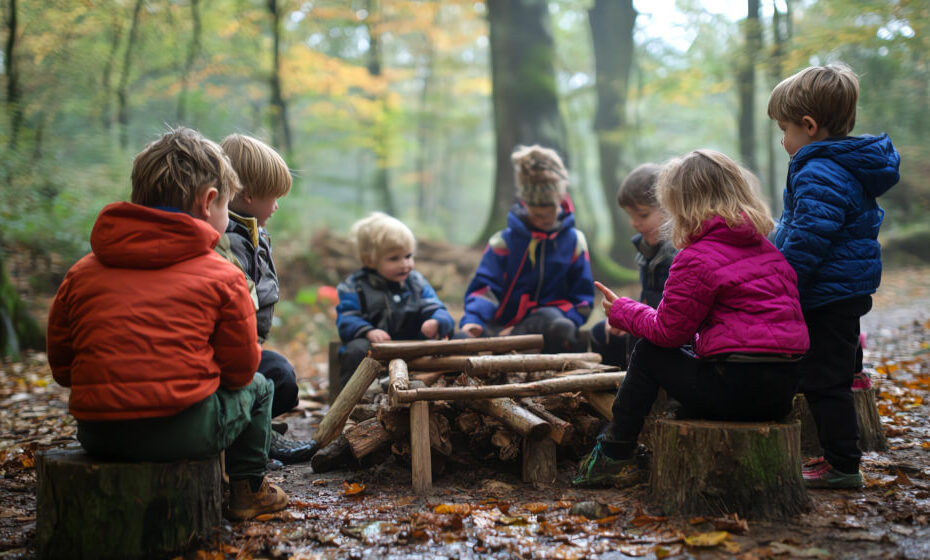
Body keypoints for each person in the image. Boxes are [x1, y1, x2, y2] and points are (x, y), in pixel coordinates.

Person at [46, 127, 288, 520]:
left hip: (97, 433)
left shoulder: (80, 273)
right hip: (183, 431)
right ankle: (249, 490)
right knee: (262, 386)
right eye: (227, 207)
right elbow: (241, 371)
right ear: (209, 201)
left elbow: (61, 368)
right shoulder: (222, 276)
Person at [573, 149, 810, 488]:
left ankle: (615, 451)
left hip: (735, 389)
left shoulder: (695, 258)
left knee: (648, 351)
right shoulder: (767, 250)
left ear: (681, 206)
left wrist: (624, 311)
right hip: (781, 391)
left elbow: (668, 332)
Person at [767, 64, 900, 488]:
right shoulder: (841, 164)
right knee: (839, 358)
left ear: (809, 126)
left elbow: (809, 237)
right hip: (846, 286)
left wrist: (782, 280)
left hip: (825, 289)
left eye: (784, 129)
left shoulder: (818, 170)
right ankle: (853, 373)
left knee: (823, 380)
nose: (783, 139)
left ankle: (842, 464)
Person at [220, 133, 315, 465]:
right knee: (277, 378)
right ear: (247, 196)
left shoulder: (253, 234)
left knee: (282, 378)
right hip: (230, 350)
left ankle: (256, 430)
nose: (276, 206)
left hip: (248, 345)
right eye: (273, 197)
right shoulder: (230, 241)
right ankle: (247, 442)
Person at [458, 145, 594, 353]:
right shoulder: (504, 242)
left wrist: (569, 318)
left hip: (549, 325)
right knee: (460, 336)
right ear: (524, 205)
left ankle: (516, 344)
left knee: (556, 324)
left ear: (560, 201)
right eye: (537, 215)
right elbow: (485, 289)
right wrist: (474, 320)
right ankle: (505, 344)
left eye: (549, 213)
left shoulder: (575, 242)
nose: (544, 220)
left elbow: (582, 299)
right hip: (500, 327)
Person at [336, 212, 455, 388]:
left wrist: (436, 321)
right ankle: (358, 396)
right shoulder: (355, 286)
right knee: (355, 350)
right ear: (369, 260)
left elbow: (435, 306)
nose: (405, 264)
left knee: (452, 342)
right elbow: (346, 318)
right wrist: (367, 331)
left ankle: (446, 388)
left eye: (408, 256)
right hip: (377, 351)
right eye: (394, 258)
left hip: (414, 347)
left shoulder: (416, 282)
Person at [589, 163, 676, 368]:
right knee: (601, 333)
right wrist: (624, 317)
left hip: (668, 332)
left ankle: (640, 395)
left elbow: (672, 313)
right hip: (647, 321)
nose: (635, 223)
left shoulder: (679, 254)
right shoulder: (645, 250)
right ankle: (612, 389)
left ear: (669, 210)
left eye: (643, 215)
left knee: (637, 340)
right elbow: (647, 297)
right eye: (631, 216)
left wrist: (631, 319)